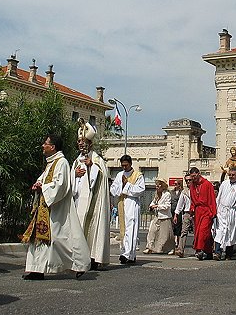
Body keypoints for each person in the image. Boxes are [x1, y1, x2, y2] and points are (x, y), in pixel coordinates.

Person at [21, 134, 90, 280]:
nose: (42, 146)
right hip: (46, 206)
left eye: (45, 143)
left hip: (57, 209)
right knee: (41, 238)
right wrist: (38, 184)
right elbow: (45, 178)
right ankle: (36, 269)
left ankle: (79, 264)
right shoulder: (51, 163)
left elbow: (61, 184)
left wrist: (44, 188)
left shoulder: (62, 162)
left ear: (52, 147)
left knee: (60, 240)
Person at [71, 118, 110, 270]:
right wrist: (74, 174)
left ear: (90, 144)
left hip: (93, 202)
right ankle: (80, 256)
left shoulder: (97, 160)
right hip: (78, 200)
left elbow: (103, 176)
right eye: (79, 142)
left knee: (92, 228)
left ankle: (93, 257)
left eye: (84, 142)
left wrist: (92, 166)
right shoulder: (76, 161)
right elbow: (70, 181)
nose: (81, 144)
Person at [110, 155, 145, 264]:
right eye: (122, 165)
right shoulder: (119, 175)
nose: (124, 167)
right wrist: (120, 187)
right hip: (122, 202)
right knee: (123, 229)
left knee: (131, 228)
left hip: (132, 203)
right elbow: (113, 189)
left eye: (126, 165)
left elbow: (140, 190)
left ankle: (127, 254)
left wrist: (127, 185)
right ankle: (128, 254)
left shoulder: (137, 175)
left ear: (130, 164)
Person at [213, 168, 236, 260]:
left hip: (233, 212)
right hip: (222, 211)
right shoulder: (224, 184)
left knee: (230, 233)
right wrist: (215, 209)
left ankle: (228, 253)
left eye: (233, 175)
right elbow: (219, 197)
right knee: (220, 232)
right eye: (230, 175)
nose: (231, 176)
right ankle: (217, 252)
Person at [189, 167, 217, 260]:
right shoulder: (192, 185)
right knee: (200, 232)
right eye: (191, 177)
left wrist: (213, 212)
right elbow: (192, 198)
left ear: (198, 173)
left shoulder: (207, 184)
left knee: (203, 230)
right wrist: (192, 208)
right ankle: (208, 251)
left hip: (206, 210)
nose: (193, 178)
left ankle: (199, 249)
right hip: (197, 211)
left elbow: (212, 198)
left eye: (194, 176)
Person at [144, 178, 175, 254]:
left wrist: (157, 206)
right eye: (156, 186)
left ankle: (171, 248)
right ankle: (149, 247)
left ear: (162, 186)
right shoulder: (156, 194)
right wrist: (151, 206)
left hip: (165, 217)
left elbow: (167, 206)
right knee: (152, 231)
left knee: (166, 235)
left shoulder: (167, 194)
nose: (157, 187)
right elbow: (153, 202)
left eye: (158, 186)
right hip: (157, 216)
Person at [173, 173, 193, 258]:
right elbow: (180, 204)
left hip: (196, 213)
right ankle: (180, 250)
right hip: (187, 213)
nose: (188, 182)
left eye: (190, 180)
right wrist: (176, 215)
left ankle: (198, 250)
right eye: (186, 180)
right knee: (183, 232)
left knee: (197, 232)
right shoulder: (184, 192)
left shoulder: (197, 189)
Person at [170, 179, 183, 254]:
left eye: (177, 184)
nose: (175, 185)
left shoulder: (182, 192)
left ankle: (177, 241)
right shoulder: (171, 192)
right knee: (172, 227)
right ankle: (173, 242)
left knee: (178, 227)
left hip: (179, 212)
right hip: (172, 210)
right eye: (174, 184)